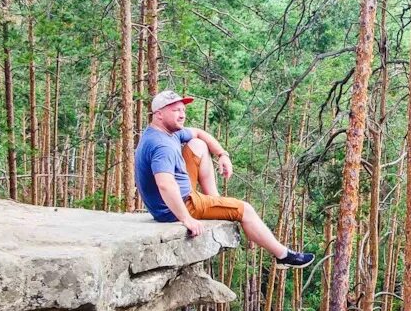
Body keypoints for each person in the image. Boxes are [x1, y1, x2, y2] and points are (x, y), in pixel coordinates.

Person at [134, 89, 313, 268]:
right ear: (158, 114)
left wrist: (222, 154)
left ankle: (214, 200)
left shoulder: (165, 132)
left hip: (177, 195)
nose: (182, 115)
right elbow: (165, 185)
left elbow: (198, 133)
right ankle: (283, 256)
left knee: (198, 144)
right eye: (175, 111)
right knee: (246, 210)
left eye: (183, 110)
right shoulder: (161, 145)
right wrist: (186, 219)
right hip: (178, 206)